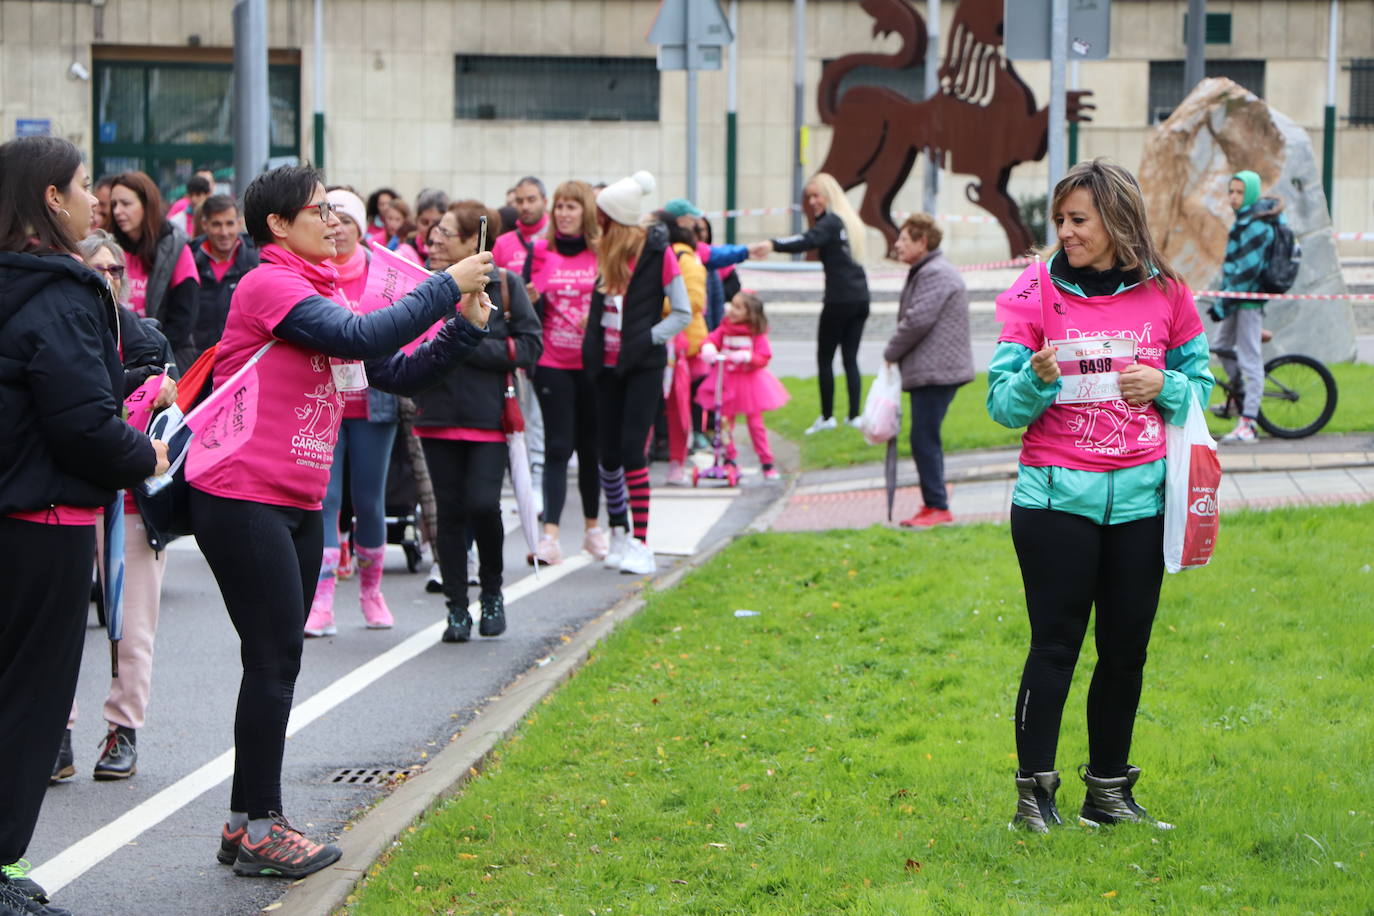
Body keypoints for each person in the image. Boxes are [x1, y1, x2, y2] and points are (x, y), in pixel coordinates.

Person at [187, 164, 494, 879]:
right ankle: (262, 826)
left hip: (291, 499)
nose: (333, 222)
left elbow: (394, 371)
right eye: (318, 211)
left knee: (274, 660)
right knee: (273, 660)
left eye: (334, 210)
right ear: (278, 226)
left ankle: (245, 823)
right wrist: (446, 284)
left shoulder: (321, 287)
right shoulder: (271, 284)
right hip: (241, 493)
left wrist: (463, 327)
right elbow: (359, 337)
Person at [987, 159, 1213, 833]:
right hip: (1055, 501)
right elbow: (1001, 404)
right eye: (1059, 220)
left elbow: (1204, 388)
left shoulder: (1168, 293)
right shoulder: (1033, 290)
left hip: (1142, 504)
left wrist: (1165, 386)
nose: (1065, 232)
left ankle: (1108, 794)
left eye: (1077, 219)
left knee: (1125, 652)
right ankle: (1034, 799)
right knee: (1055, 648)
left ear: (1117, 220)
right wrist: (1036, 380)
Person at [0, 135, 169, 916]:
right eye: (79, 185)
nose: (94, 199)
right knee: (29, 702)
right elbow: (81, 424)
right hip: (46, 520)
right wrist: (150, 454)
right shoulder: (61, 293)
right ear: (48, 200)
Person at [53, 231, 180, 785]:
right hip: (67, 496)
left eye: (115, 271)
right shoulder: (58, 331)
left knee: (133, 626)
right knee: (55, 625)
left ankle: (123, 730)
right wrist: (137, 386)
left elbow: (174, 422)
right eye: (94, 269)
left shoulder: (149, 337)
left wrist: (158, 390)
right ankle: (56, 733)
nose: (107, 279)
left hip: (135, 501)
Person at [414, 200, 542, 642]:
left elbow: (529, 347)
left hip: (489, 418)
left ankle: (491, 592)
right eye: (433, 232)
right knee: (448, 515)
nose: (434, 239)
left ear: (474, 241)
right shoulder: (425, 286)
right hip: (436, 416)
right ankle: (456, 608)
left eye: (445, 233)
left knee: (482, 505)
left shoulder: (505, 284)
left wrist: (469, 343)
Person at [305, 189, 406, 637]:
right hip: (323, 401)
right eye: (332, 219)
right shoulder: (311, 272)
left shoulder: (381, 272)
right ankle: (322, 600)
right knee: (325, 500)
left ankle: (371, 593)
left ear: (362, 228)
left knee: (369, 500)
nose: (339, 227)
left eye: (348, 220)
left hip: (374, 402)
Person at [583, 171, 690, 574]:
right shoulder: (605, 255)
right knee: (607, 456)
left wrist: (649, 339)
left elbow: (682, 313)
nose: (598, 226)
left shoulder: (658, 255)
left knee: (632, 452)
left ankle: (642, 543)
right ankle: (619, 531)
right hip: (606, 369)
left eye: (603, 218)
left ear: (617, 220)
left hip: (642, 367)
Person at [750, 172, 869, 434]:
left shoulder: (829, 223)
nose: (812, 202)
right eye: (810, 197)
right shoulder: (848, 222)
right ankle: (854, 415)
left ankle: (827, 417)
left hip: (839, 299)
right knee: (850, 358)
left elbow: (806, 240)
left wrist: (772, 244)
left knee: (825, 358)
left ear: (829, 195)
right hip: (861, 297)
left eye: (816, 196)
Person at [527, 179, 608, 565]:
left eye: (571, 207)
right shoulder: (541, 251)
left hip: (592, 366)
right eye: (559, 206)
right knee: (558, 447)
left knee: (591, 448)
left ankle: (594, 530)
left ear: (586, 212)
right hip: (551, 363)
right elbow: (527, 305)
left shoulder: (601, 253)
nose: (563, 213)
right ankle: (550, 537)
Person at [883, 214, 975, 528]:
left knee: (924, 438)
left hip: (937, 370)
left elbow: (917, 320)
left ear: (923, 242)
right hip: (934, 368)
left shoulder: (934, 272)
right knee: (924, 436)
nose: (897, 245)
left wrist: (890, 353)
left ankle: (937, 506)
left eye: (904, 239)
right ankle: (933, 504)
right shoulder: (928, 270)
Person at [1211, 169, 1282, 444]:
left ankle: (1249, 423)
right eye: (1231, 191)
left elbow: (1246, 272)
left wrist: (1222, 301)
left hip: (1247, 302)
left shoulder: (1255, 224)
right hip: (1235, 299)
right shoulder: (1243, 221)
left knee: (1250, 361)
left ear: (1251, 193)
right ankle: (1237, 397)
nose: (1233, 197)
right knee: (1221, 348)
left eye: (1240, 192)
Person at [108, 170, 200, 370]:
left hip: (164, 361)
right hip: (117, 360)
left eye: (126, 203)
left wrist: (149, 356)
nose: (117, 211)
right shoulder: (108, 248)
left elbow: (183, 321)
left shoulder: (176, 248)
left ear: (146, 205)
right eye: (114, 204)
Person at [697, 292, 790, 479]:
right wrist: (708, 348)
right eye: (733, 305)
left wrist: (748, 357)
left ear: (750, 314)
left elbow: (764, 356)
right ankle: (729, 458)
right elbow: (711, 340)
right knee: (723, 422)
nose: (732, 310)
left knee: (755, 423)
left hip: (749, 383)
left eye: (739, 307)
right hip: (725, 380)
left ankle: (766, 461)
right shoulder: (725, 329)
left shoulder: (755, 333)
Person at [655, 211, 708, 487]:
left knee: (676, 405)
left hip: (679, 346)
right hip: (661, 341)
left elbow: (694, 302)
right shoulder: (666, 255)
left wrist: (653, 305)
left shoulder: (684, 259)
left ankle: (677, 460)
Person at [191, 194, 260, 360]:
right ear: (205, 224)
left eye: (229, 224)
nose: (224, 232)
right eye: (217, 224)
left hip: (242, 359)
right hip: (196, 360)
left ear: (239, 223)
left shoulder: (255, 262)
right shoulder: (189, 260)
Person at [412, 187, 449, 263]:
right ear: (416, 221)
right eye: (425, 222)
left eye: (437, 223)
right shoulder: (405, 253)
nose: (430, 229)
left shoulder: (455, 256)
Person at [379, 198, 421, 263]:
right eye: (390, 218)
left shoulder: (412, 239)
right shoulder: (377, 239)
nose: (392, 224)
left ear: (405, 220)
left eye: (397, 219)